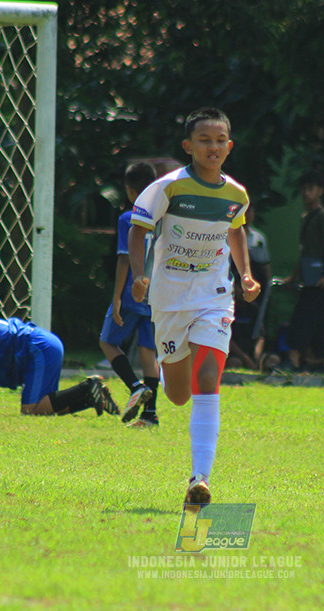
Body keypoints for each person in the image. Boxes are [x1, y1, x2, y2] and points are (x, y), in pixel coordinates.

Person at [128, 107, 260, 508]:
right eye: (205, 140)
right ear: (188, 146)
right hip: (169, 298)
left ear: (230, 146)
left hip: (213, 295)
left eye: (220, 140)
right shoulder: (167, 188)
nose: (213, 147)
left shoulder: (236, 194)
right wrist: (139, 274)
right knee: (179, 396)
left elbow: (235, 232)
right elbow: (138, 232)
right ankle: (167, 379)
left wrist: (245, 274)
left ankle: (200, 478)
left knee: (208, 375)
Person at [98, 160, 161, 428]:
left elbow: (124, 258)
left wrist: (116, 297)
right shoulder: (163, 218)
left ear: (130, 191)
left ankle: (134, 386)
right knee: (149, 353)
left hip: (132, 293)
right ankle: (150, 415)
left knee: (107, 342)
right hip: (158, 296)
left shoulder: (129, 217)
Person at [282, 170, 324, 372]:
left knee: (301, 318)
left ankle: (293, 360)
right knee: (321, 321)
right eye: (304, 189)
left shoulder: (322, 216)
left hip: (320, 278)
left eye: (311, 189)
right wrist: (293, 277)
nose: (306, 193)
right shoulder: (306, 217)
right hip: (309, 276)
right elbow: (304, 251)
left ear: (319, 191)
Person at [227, 207, 276, 371]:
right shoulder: (228, 234)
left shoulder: (259, 238)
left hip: (253, 282)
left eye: (250, 211)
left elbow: (265, 267)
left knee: (272, 359)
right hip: (236, 275)